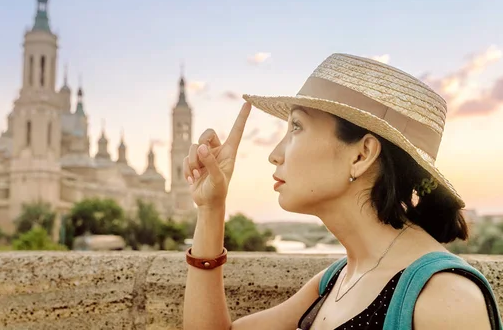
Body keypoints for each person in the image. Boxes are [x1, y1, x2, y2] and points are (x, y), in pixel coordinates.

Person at [182, 53, 502, 330]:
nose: (274, 153)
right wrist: (211, 208)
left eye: (296, 126)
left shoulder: (446, 299)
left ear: (361, 155)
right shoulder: (336, 280)